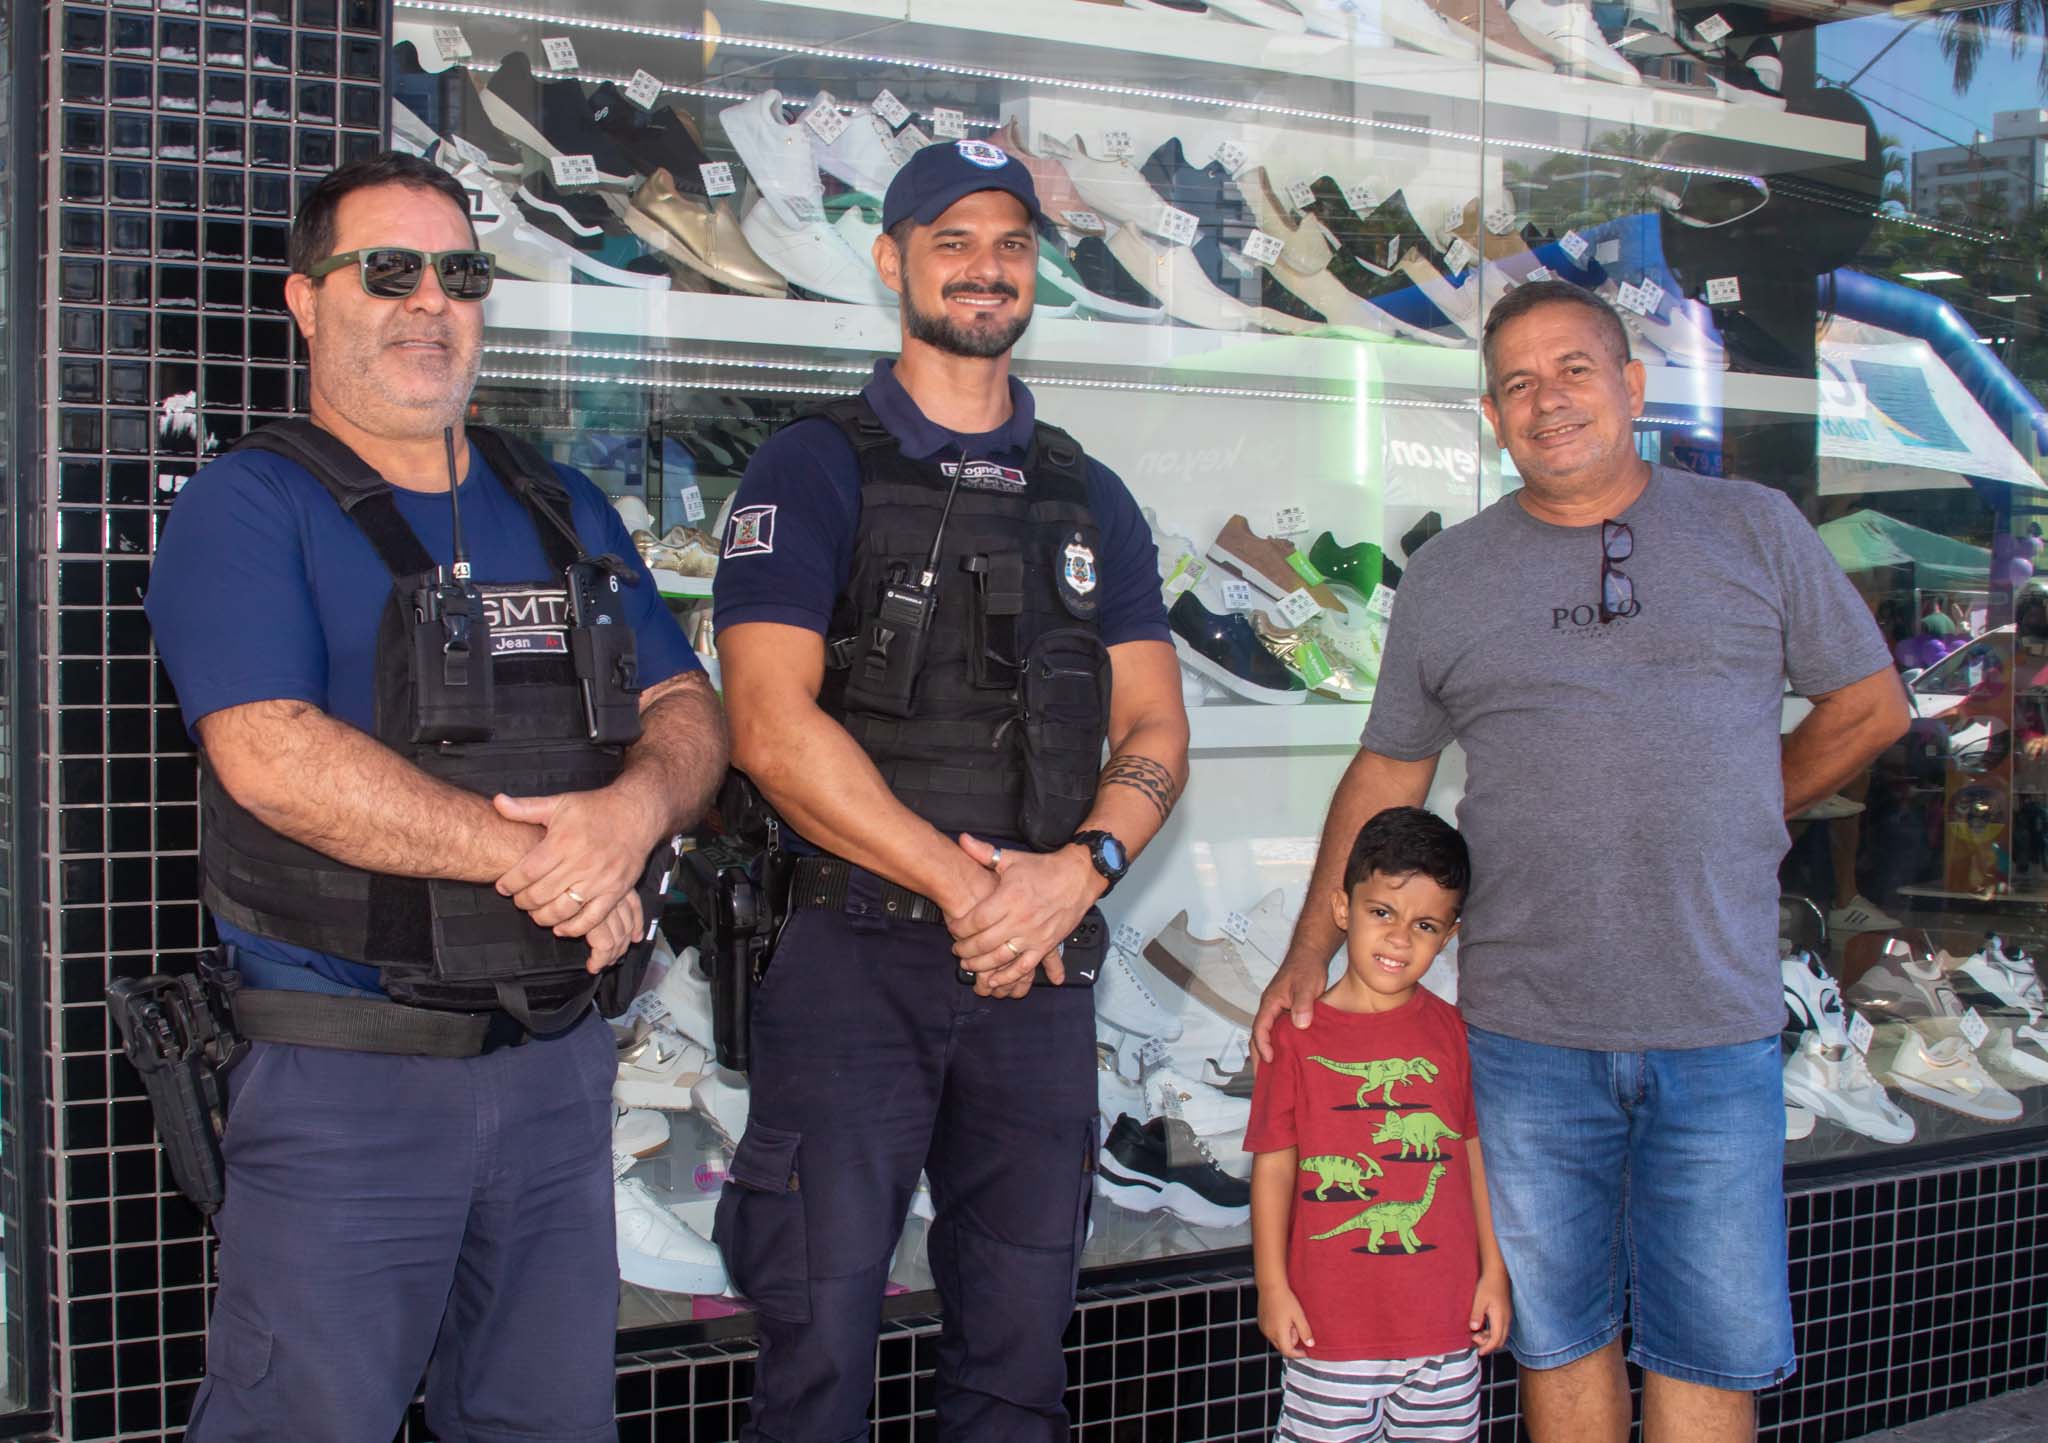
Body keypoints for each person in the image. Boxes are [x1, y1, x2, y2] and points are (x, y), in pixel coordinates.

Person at [1251, 281, 1909, 1443]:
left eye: (1572, 370)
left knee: (1708, 1351)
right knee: (1557, 1338)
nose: (1545, 400)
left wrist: (1746, 801)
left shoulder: (1752, 527)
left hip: (1713, 1019)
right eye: (1515, 384)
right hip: (1526, 1037)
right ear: (1490, 420)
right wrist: (1307, 951)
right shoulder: (1450, 575)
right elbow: (1387, 772)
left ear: (1631, 386)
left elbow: (1867, 706)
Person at [145, 151, 729, 1443]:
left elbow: (687, 708)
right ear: (306, 299)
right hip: (349, 1081)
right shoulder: (250, 505)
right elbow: (270, 752)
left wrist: (632, 814)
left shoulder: (558, 500)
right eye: (388, 270)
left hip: (560, 1076)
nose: (430, 301)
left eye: (460, 274)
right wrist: (549, 861)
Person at [710, 138, 1190, 1441]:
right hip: (855, 960)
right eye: (953, 241)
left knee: (1019, 1359)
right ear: (891, 260)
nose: (987, 267)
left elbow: (1155, 723)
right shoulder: (812, 465)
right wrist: (973, 889)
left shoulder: (1088, 494)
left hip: (1036, 972)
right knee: (816, 1353)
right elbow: (767, 726)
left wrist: (1077, 871)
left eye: (1011, 244)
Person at [1248, 806, 1507, 1443]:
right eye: (1382, 912)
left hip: (1445, 1324)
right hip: (1329, 1329)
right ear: (1343, 908)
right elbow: (1274, 1167)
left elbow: (1476, 1156)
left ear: (1449, 935)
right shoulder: (1295, 1035)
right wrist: (1272, 1287)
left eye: (1424, 925)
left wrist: (1494, 1274)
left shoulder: (1455, 1034)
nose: (1398, 940)